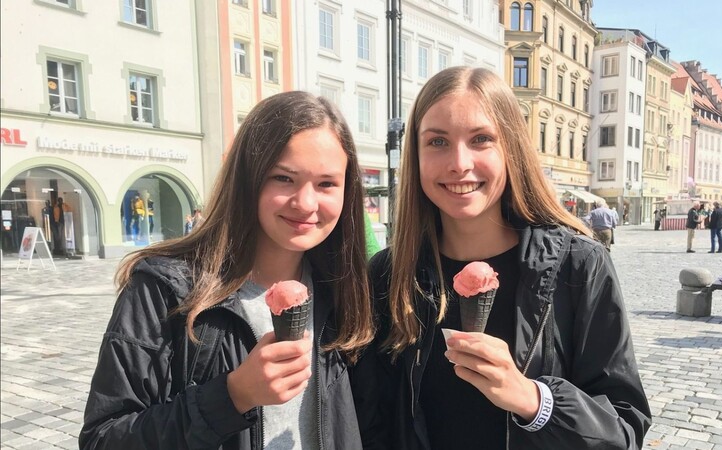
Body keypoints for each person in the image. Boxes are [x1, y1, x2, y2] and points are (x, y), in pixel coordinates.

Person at [350, 67, 650, 450]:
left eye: (480, 139)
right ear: (416, 155)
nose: (459, 163)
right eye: (438, 141)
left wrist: (534, 401)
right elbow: (373, 422)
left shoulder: (578, 265)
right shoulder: (389, 276)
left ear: (510, 149)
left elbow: (624, 428)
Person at [80, 92, 373, 449]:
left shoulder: (344, 292)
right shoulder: (166, 291)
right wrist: (232, 396)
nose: (306, 203)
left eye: (327, 183)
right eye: (284, 178)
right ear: (248, 179)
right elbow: (103, 438)